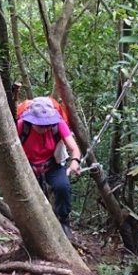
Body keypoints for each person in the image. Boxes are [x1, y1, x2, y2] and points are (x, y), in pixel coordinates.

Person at [17, 96, 82, 240]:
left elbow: (74, 149)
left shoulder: (58, 125)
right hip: (28, 167)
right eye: (40, 125)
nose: (44, 128)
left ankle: (64, 221)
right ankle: (37, 227)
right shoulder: (22, 126)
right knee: (34, 196)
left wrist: (75, 162)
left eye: (47, 124)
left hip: (52, 163)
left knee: (62, 187)